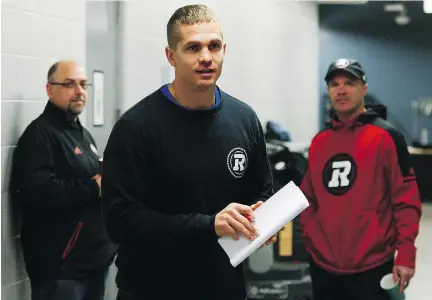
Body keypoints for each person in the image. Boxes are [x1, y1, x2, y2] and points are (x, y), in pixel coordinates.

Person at [101, 4, 275, 300]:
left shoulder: (244, 119)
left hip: (224, 288)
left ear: (224, 50)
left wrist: (265, 219)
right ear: (171, 56)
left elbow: (261, 191)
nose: (206, 58)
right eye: (193, 48)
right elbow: (120, 221)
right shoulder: (136, 128)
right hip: (152, 290)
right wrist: (208, 225)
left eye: (214, 46)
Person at [300, 58, 422, 300]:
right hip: (324, 268)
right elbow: (307, 198)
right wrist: (311, 240)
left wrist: (406, 254)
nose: (341, 90)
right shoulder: (319, 142)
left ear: (364, 89)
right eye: (334, 84)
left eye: (349, 83)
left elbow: (406, 201)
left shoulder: (387, 137)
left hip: (372, 267)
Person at [11, 60, 117, 300]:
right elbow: (38, 192)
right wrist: (93, 187)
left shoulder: (81, 133)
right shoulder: (39, 136)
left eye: (83, 84)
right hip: (61, 271)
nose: (79, 91)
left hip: (93, 262)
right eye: (69, 84)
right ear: (50, 90)